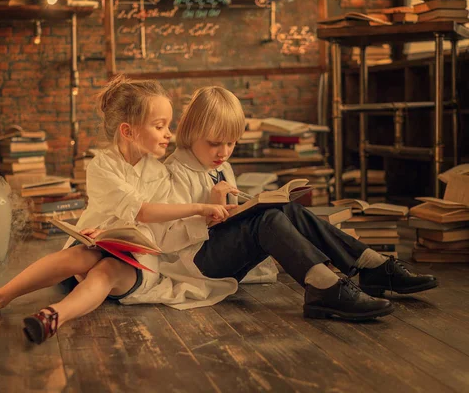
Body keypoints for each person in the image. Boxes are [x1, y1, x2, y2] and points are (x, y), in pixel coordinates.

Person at [0, 76, 234, 344]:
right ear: (128, 131)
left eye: (168, 125)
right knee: (80, 256)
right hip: (93, 247)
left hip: (136, 262)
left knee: (106, 271)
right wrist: (199, 207)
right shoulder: (102, 165)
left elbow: (162, 235)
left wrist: (201, 218)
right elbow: (140, 211)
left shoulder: (161, 175)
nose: (168, 134)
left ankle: (53, 316)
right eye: (160, 126)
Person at [161, 86, 438, 321]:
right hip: (195, 264)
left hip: (221, 253)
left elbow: (231, 222)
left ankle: (371, 265)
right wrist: (207, 214)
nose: (223, 152)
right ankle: (324, 287)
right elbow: (167, 241)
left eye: (231, 143)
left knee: (285, 207)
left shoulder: (221, 165)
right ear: (191, 132)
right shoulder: (174, 171)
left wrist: (234, 210)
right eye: (214, 143)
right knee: (267, 221)